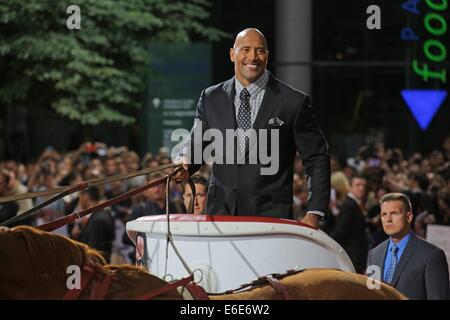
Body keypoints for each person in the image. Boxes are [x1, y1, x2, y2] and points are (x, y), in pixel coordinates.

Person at [176, 28, 330, 228]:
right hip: (219, 217)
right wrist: (183, 163)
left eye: (260, 50)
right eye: (246, 49)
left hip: (271, 218)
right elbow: (196, 146)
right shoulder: (210, 97)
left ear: (267, 56)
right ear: (233, 54)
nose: (253, 57)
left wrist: (314, 213)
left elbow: (317, 157)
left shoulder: (293, 102)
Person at [367, 193, 449, 300]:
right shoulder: (374, 255)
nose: (388, 219)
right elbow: (370, 295)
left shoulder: (431, 255)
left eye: (394, 213)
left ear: (409, 217)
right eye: (384, 214)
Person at [329, 174, 369, 273]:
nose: (361, 188)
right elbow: (340, 230)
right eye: (358, 185)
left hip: (354, 255)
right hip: (352, 256)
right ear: (350, 187)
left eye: (364, 186)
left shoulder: (352, 204)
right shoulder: (349, 205)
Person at [76, 187, 115, 262]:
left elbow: (95, 252)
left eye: (80, 197)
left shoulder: (98, 220)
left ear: (86, 197)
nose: (79, 201)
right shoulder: (103, 214)